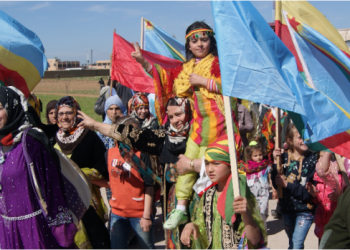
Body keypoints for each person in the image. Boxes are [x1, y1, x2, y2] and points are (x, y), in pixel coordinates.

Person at [131, 21, 241, 229]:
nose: (200, 44)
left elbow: (234, 86)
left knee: (215, 171)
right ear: (188, 46)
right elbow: (165, 79)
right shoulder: (185, 69)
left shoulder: (220, 63)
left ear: (211, 41)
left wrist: (203, 81)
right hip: (197, 129)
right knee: (185, 168)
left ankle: (221, 214)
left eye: (204, 39)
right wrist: (143, 62)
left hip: (220, 128)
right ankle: (181, 209)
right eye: (194, 40)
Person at [77, 96, 197, 249]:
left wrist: (193, 164)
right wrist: (94, 124)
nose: (175, 120)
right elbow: (130, 135)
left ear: (188, 112)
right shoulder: (164, 137)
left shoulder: (198, 138)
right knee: (175, 241)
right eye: (171, 116)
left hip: (194, 201)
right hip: (171, 203)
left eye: (179, 114)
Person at [0, 86, 77, 249]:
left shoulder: (31, 140)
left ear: (12, 107)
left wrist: (61, 226)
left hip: (36, 229)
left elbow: (52, 186)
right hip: (6, 231)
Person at [180, 135, 266, 249]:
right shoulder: (208, 195)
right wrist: (192, 226)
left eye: (216, 163)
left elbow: (255, 239)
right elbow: (202, 225)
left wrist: (246, 214)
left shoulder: (240, 194)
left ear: (230, 164)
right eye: (207, 163)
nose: (210, 169)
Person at [54, 96, 110, 249]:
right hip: (61, 202)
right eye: (61, 113)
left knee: (94, 239)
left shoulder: (89, 137)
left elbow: (102, 168)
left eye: (69, 113)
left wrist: (77, 174)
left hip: (87, 198)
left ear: (77, 114)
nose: (65, 117)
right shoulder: (52, 139)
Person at [108, 115, 155, 249]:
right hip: (117, 214)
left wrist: (146, 216)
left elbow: (149, 185)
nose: (135, 136)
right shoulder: (110, 154)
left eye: (137, 132)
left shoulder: (142, 154)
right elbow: (109, 179)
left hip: (139, 214)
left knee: (147, 247)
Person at [271, 124, 317, 249]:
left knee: (297, 244)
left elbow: (308, 192)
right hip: (287, 209)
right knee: (292, 244)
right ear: (289, 140)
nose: (304, 140)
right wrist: (276, 162)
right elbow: (276, 183)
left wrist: (287, 184)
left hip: (305, 210)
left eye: (305, 136)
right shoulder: (284, 158)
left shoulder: (312, 160)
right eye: (299, 137)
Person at [305, 152, 345, 242]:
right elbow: (320, 201)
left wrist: (340, 196)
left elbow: (346, 195)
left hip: (336, 223)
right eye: (320, 157)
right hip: (322, 223)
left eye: (324, 157)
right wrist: (314, 194)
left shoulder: (339, 177)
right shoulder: (317, 178)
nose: (321, 160)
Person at [239, 139, 271, 228]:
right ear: (250, 156)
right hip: (252, 194)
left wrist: (274, 189)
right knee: (253, 213)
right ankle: (256, 228)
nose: (258, 157)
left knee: (262, 212)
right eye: (255, 155)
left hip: (263, 193)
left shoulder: (266, 166)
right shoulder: (246, 169)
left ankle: (263, 229)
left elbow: (269, 178)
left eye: (260, 155)